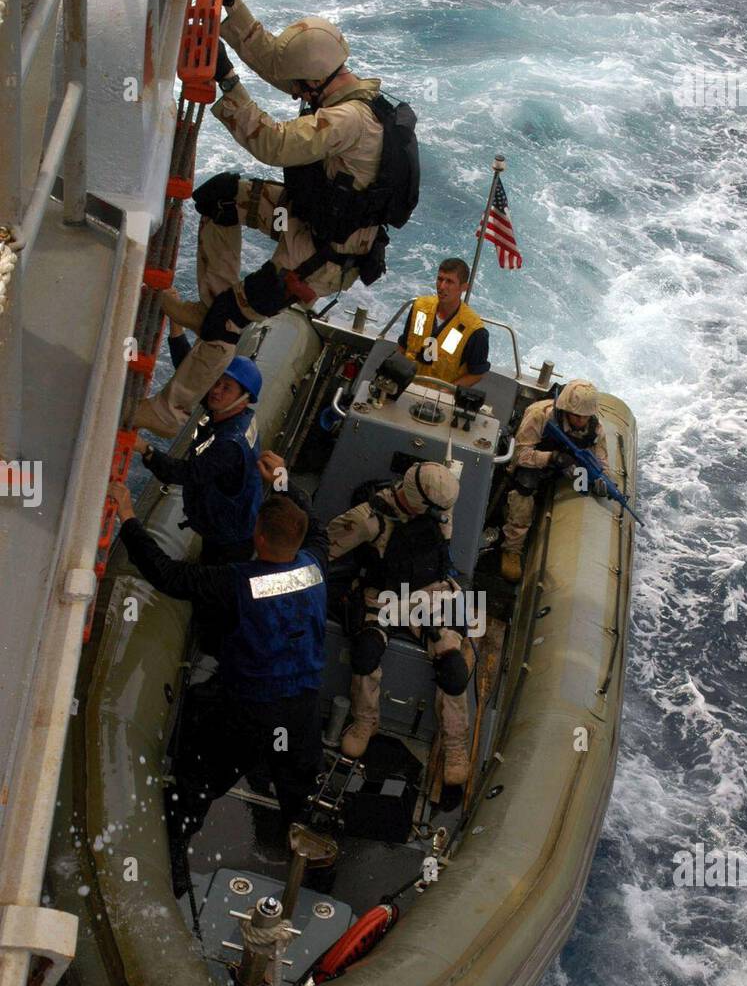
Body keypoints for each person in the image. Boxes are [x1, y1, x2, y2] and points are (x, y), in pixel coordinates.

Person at [133, 0, 415, 439]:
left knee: (230, 319)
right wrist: (230, 6)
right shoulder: (339, 87)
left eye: (300, 87)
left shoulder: (348, 121)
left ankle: (171, 410)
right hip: (313, 218)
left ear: (313, 81)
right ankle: (207, 306)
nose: (296, 91)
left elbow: (274, 143)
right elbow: (277, 62)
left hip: (322, 255)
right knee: (220, 198)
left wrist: (228, 83)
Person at [108, 477, 328, 897]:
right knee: (297, 781)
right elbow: (316, 528)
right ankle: (309, 854)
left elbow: (169, 576)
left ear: (258, 536)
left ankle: (175, 856)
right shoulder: (314, 565)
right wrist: (288, 484)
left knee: (199, 779)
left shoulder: (238, 583)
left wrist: (129, 516)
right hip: (300, 708)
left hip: (248, 710)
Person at [324, 460, 474, 787]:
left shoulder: (438, 509)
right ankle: (365, 720)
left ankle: (455, 741)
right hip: (383, 595)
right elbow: (326, 548)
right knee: (365, 653)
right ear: (422, 502)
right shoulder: (368, 520)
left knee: (454, 668)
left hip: (429, 592)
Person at [134, 353, 263, 564]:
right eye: (217, 382)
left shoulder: (230, 443)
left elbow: (188, 473)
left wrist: (145, 449)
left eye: (226, 387)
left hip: (230, 537)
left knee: (212, 582)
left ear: (244, 398)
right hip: (228, 519)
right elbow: (191, 376)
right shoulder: (231, 412)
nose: (216, 391)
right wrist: (176, 332)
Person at [500, 379, 609, 583]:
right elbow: (520, 455)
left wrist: (602, 479)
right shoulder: (540, 415)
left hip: (567, 467)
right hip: (534, 463)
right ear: (566, 409)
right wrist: (552, 458)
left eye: (586, 417)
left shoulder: (595, 429)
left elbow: (601, 460)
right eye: (576, 416)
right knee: (524, 488)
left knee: (584, 487)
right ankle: (512, 549)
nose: (581, 421)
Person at [398, 258, 490, 387]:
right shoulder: (419, 308)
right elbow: (403, 346)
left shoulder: (474, 330)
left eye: (450, 282)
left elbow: (476, 373)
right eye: (440, 279)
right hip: (406, 383)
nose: (442, 287)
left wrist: (447, 391)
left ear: (464, 287)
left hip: (440, 395)